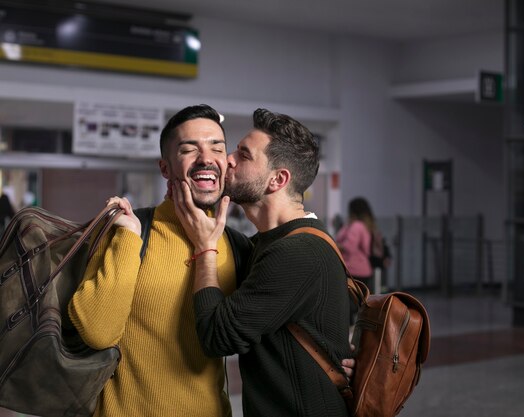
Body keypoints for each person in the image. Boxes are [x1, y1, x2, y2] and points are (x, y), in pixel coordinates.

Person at [68, 104, 252, 417]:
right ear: (165, 168)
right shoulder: (128, 232)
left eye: (217, 147)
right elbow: (97, 332)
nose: (206, 158)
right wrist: (127, 239)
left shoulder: (238, 247)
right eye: (189, 149)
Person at [171, 108, 352, 416]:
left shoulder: (299, 251)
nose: (228, 159)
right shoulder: (268, 242)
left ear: (277, 179)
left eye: (244, 154)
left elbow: (218, 337)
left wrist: (205, 249)